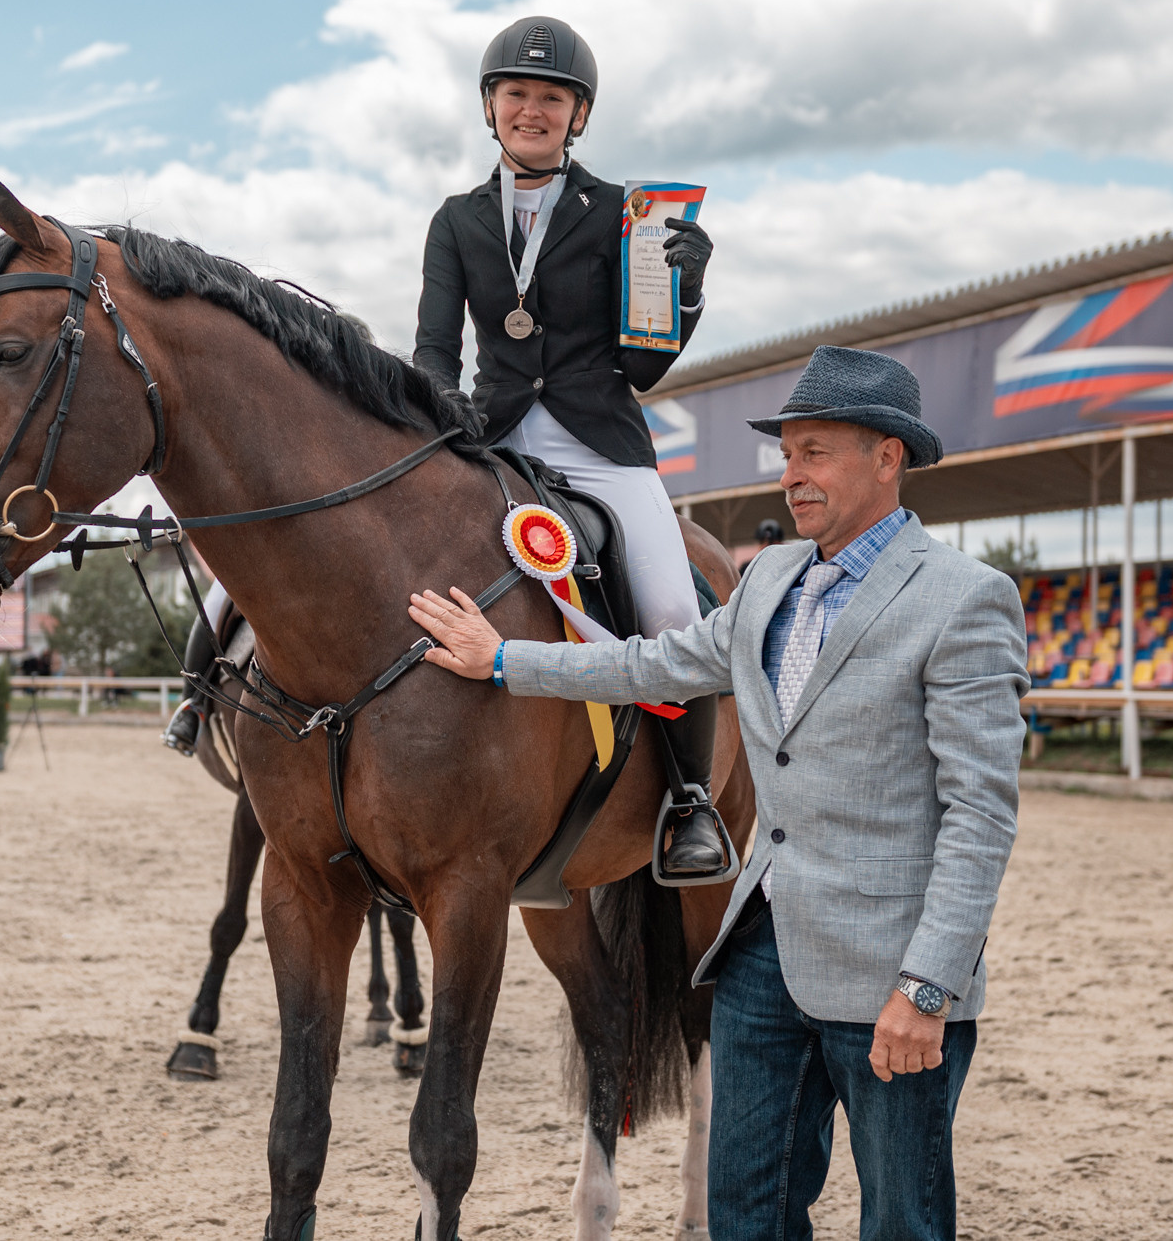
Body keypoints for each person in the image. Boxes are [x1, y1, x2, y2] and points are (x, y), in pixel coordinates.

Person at [408, 346, 1029, 1241]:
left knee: (902, 1221)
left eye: (816, 452)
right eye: (788, 455)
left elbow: (979, 816)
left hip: (889, 969)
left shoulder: (966, 600)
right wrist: (501, 658)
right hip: (759, 958)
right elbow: (647, 664)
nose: (792, 476)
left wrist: (928, 987)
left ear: (887, 457)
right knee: (746, 1215)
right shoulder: (770, 578)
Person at [410, 13, 727, 880]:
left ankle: (690, 801)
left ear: (577, 114)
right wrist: (440, 422)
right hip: (492, 438)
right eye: (517, 94)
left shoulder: (626, 214)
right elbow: (437, 346)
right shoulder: (456, 221)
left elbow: (643, 365)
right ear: (491, 106)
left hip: (602, 444)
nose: (533, 110)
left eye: (552, 98)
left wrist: (684, 292)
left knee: (670, 610)